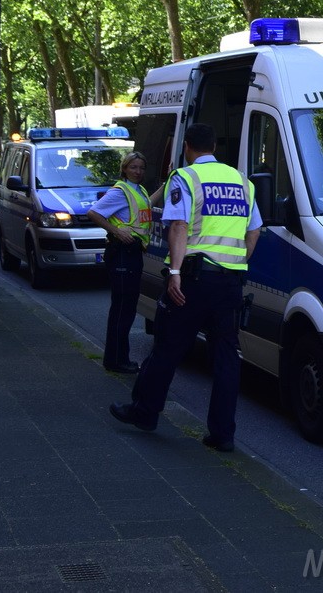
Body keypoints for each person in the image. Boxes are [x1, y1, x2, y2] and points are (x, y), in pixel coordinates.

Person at [110, 124, 261, 453]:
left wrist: (175, 271)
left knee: (168, 346)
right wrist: (236, 263)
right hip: (230, 282)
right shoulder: (242, 182)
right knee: (226, 358)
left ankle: (145, 412)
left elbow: (178, 225)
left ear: (188, 147)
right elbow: (254, 231)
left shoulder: (186, 177)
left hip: (193, 278)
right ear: (216, 145)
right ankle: (222, 435)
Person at [88, 151, 162, 373]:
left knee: (127, 308)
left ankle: (118, 358)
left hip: (131, 253)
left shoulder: (137, 190)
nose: (138, 171)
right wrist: (117, 232)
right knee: (122, 309)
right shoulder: (120, 191)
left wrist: (165, 186)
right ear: (125, 169)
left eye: (141, 168)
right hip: (122, 252)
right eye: (133, 167)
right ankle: (116, 360)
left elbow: (148, 204)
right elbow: (94, 212)